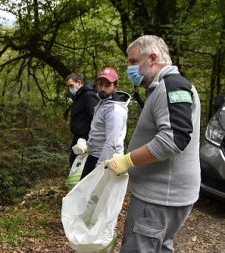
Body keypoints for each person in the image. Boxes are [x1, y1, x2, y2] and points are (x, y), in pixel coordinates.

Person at [107, 35, 201, 253]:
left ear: (152, 58)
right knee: (162, 247)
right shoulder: (165, 87)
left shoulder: (172, 86)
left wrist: (127, 161)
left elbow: (174, 139)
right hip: (165, 195)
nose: (130, 68)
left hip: (159, 197)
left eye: (133, 62)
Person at [74, 67, 130, 179]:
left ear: (115, 86)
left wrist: (100, 167)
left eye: (107, 85)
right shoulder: (103, 102)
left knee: (97, 195)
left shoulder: (115, 110)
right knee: (86, 193)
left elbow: (111, 142)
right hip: (94, 155)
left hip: (107, 160)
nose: (103, 88)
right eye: (100, 84)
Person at [65, 73, 99, 166]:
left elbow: (97, 119)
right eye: (68, 86)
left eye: (71, 85)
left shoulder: (88, 95)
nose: (70, 89)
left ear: (79, 82)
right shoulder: (78, 97)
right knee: (74, 164)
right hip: (78, 138)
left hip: (86, 139)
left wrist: (89, 139)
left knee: (81, 167)